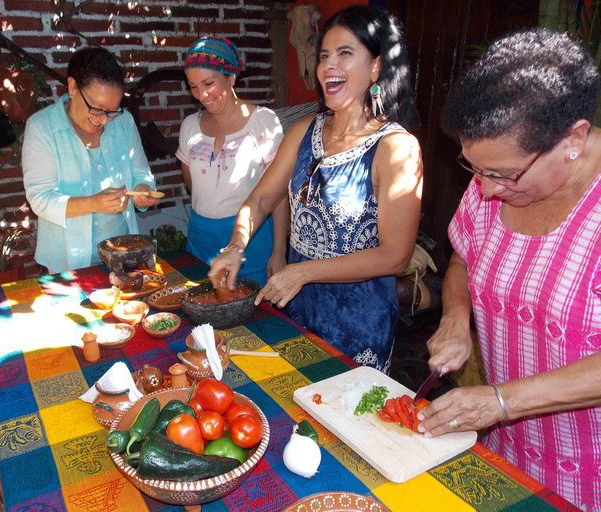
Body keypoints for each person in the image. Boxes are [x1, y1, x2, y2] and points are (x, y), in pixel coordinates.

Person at [418, 29, 601, 511]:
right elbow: (464, 256)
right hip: (506, 449)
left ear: (573, 139)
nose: (487, 190)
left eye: (503, 174)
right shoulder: (490, 182)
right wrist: (456, 318)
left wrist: (502, 402)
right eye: (474, 168)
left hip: (590, 470)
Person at [208, 6, 423, 372]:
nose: (329, 66)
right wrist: (235, 247)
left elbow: (395, 256)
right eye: (324, 56)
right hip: (298, 307)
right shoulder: (304, 131)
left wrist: (304, 271)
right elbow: (261, 198)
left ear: (376, 66)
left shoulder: (395, 148)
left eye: (345, 53)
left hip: (358, 323)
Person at [22, 47, 159, 273]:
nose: (103, 119)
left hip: (123, 254)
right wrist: (93, 203)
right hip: (67, 261)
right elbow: (40, 199)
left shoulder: (123, 123)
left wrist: (143, 188)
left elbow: (140, 172)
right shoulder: (43, 127)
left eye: (112, 111)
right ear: (73, 87)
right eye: (96, 109)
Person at [176, 37, 286, 286]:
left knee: (253, 312)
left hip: (251, 240)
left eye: (208, 83)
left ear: (231, 77)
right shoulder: (190, 126)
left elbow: (278, 194)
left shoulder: (263, 121)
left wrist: (279, 251)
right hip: (200, 238)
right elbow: (193, 186)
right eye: (193, 86)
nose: (201, 94)